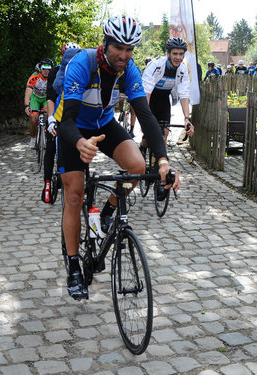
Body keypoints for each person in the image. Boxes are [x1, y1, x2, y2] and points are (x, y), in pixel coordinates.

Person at [55, 15, 180, 300]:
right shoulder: (81, 64)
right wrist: (79, 143)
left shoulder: (129, 70)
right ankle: (74, 265)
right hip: (73, 128)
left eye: (130, 49)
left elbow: (146, 116)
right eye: (118, 48)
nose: (124, 55)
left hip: (103, 124)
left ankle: (109, 211)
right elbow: (67, 119)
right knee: (74, 195)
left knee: (137, 166)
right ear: (106, 43)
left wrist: (162, 160)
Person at [41, 43, 81, 203]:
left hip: (74, 112)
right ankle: (47, 183)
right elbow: (50, 97)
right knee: (51, 145)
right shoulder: (55, 72)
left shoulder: (82, 70)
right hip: (57, 110)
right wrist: (50, 119)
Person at [141, 36, 194, 146]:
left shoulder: (183, 69)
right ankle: (144, 144)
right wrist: (144, 118)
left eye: (181, 54)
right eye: (175, 53)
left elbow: (184, 94)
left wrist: (186, 119)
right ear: (168, 53)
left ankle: (161, 159)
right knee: (148, 132)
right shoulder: (155, 65)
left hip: (164, 98)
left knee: (165, 131)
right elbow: (146, 92)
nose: (178, 57)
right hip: (150, 96)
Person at [24, 58, 54, 148]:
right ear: (40, 69)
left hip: (46, 98)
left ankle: (44, 136)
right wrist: (26, 106)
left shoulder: (53, 78)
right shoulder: (34, 77)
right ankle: (33, 139)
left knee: (47, 116)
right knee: (34, 118)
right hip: (35, 98)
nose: (46, 71)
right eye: (44, 68)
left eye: (49, 69)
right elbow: (28, 93)